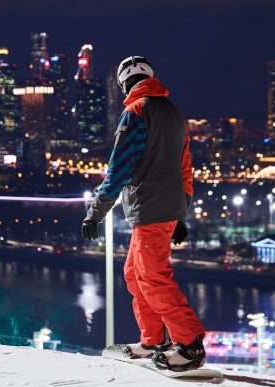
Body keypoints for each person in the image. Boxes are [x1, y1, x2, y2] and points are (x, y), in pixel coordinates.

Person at [81, 56, 206, 372]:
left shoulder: (136, 111)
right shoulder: (174, 113)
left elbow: (119, 168)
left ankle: (189, 345)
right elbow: (185, 168)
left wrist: (95, 214)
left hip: (150, 208)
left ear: (124, 84)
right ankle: (154, 340)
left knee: (152, 277)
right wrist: (180, 214)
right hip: (166, 208)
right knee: (134, 273)